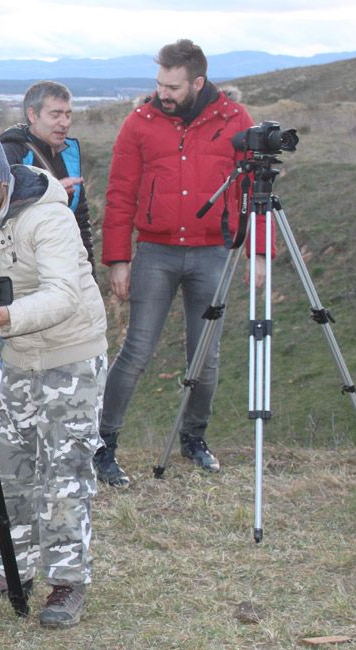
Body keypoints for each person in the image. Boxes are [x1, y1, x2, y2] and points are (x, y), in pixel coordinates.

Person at [0, 130, 107, 628]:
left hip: (71, 357)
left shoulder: (48, 217)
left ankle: (67, 582)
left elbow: (64, 294)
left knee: (65, 472)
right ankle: (10, 567)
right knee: (11, 468)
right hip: (19, 357)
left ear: (1, 179)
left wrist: (7, 319)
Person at [98, 39, 264, 486]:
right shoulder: (139, 123)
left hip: (214, 254)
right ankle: (103, 443)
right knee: (135, 351)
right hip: (156, 253)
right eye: (159, 84)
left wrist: (258, 252)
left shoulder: (235, 120)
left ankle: (194, 438)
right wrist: (118, 258)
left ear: (197, 82)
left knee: (205, 357)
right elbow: (120, 193)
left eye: (172, 87)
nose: (162, 93)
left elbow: (255, 190)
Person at [0, 80, 94, 265]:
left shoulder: (69, 153)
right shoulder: (10, 152)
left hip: (65, 261)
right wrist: (50, 192)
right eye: (55, 115)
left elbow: (80, 221)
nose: (65, 123)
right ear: (32, 115)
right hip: (25, 265)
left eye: (68, 114)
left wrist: (89, 272)